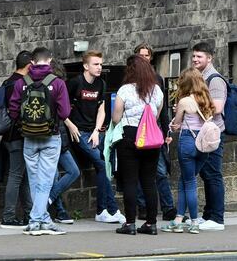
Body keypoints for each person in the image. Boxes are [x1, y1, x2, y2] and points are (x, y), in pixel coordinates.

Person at [8, 48, 71, 236]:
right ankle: (36, 221)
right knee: (45, 181)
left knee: (35, 180)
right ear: (49, 61)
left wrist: (25, 122)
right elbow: (65, 112)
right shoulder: (57, 83)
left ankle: (43, 220)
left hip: (28, 137)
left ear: (33, 62)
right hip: (50, 136)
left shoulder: (22, 83)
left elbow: (13, 109)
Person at [65, 50, 124, 224]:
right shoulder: (75, 83)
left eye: (100, 64)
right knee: (100, 163)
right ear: (86, 66)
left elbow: (101, 108)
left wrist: (97, 130)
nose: (99, 67)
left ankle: (103, 210)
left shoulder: (101, 84)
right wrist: (70, 125)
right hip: (78, 132)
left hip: (93, 133)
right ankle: (110, 209)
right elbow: (60, 107)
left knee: (102, 166)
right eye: (95, 64)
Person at [111, 54, 164, 235]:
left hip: (130, 136)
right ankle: (151, 223)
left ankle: (130, 223)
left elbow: (116, 118)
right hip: (150, 137)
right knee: (149, 181)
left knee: (130, 181)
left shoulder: (125, 90)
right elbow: (156, 117)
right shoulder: (157, 90)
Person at [161, 68, 214, 234]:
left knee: (189, 183)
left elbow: (176, 126)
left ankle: (193, 221)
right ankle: (177, 219)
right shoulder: (206, 98)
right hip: (204, 145)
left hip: (188, 143)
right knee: (185, 180)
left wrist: (176, 117)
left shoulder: (184, 101)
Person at [133, 43, 176, 223]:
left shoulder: (157, 79)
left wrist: (167, 131)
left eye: (147, 55)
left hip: (153, 130)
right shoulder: (129, 78)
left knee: (159, 171)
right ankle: (142, 207)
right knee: (136, 171)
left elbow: (162, 108)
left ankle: (168, 208)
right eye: (141, 55)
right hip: (135, 129)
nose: (144, 58)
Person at [191, 41, 228, 231]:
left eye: (199, 57)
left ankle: (217, 218)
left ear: (209, 58)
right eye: (194, 56)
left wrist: (192, 107)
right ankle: (208, 215)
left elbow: (218, 108)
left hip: (213, 134)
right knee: (206, 174)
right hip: (204, 133)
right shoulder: (200, 77)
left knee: (213, 175)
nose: (195, 59)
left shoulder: (214, 80)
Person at [0, 50, 34, 228]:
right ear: (29, 66)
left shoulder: (8, 82)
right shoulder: (22, 84)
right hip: (17, 136)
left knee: (22, 176)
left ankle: (29, 213)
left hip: (8, 135)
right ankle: (9, 216)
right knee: (16, 175)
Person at [47, 59, 80, 224]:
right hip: (53, 136)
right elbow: (64, 111)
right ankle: (59, 210)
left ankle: (50, 199)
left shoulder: (55, 86)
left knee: (73, 171)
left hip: (61, 138)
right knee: (54, 176)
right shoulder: (54, 87)